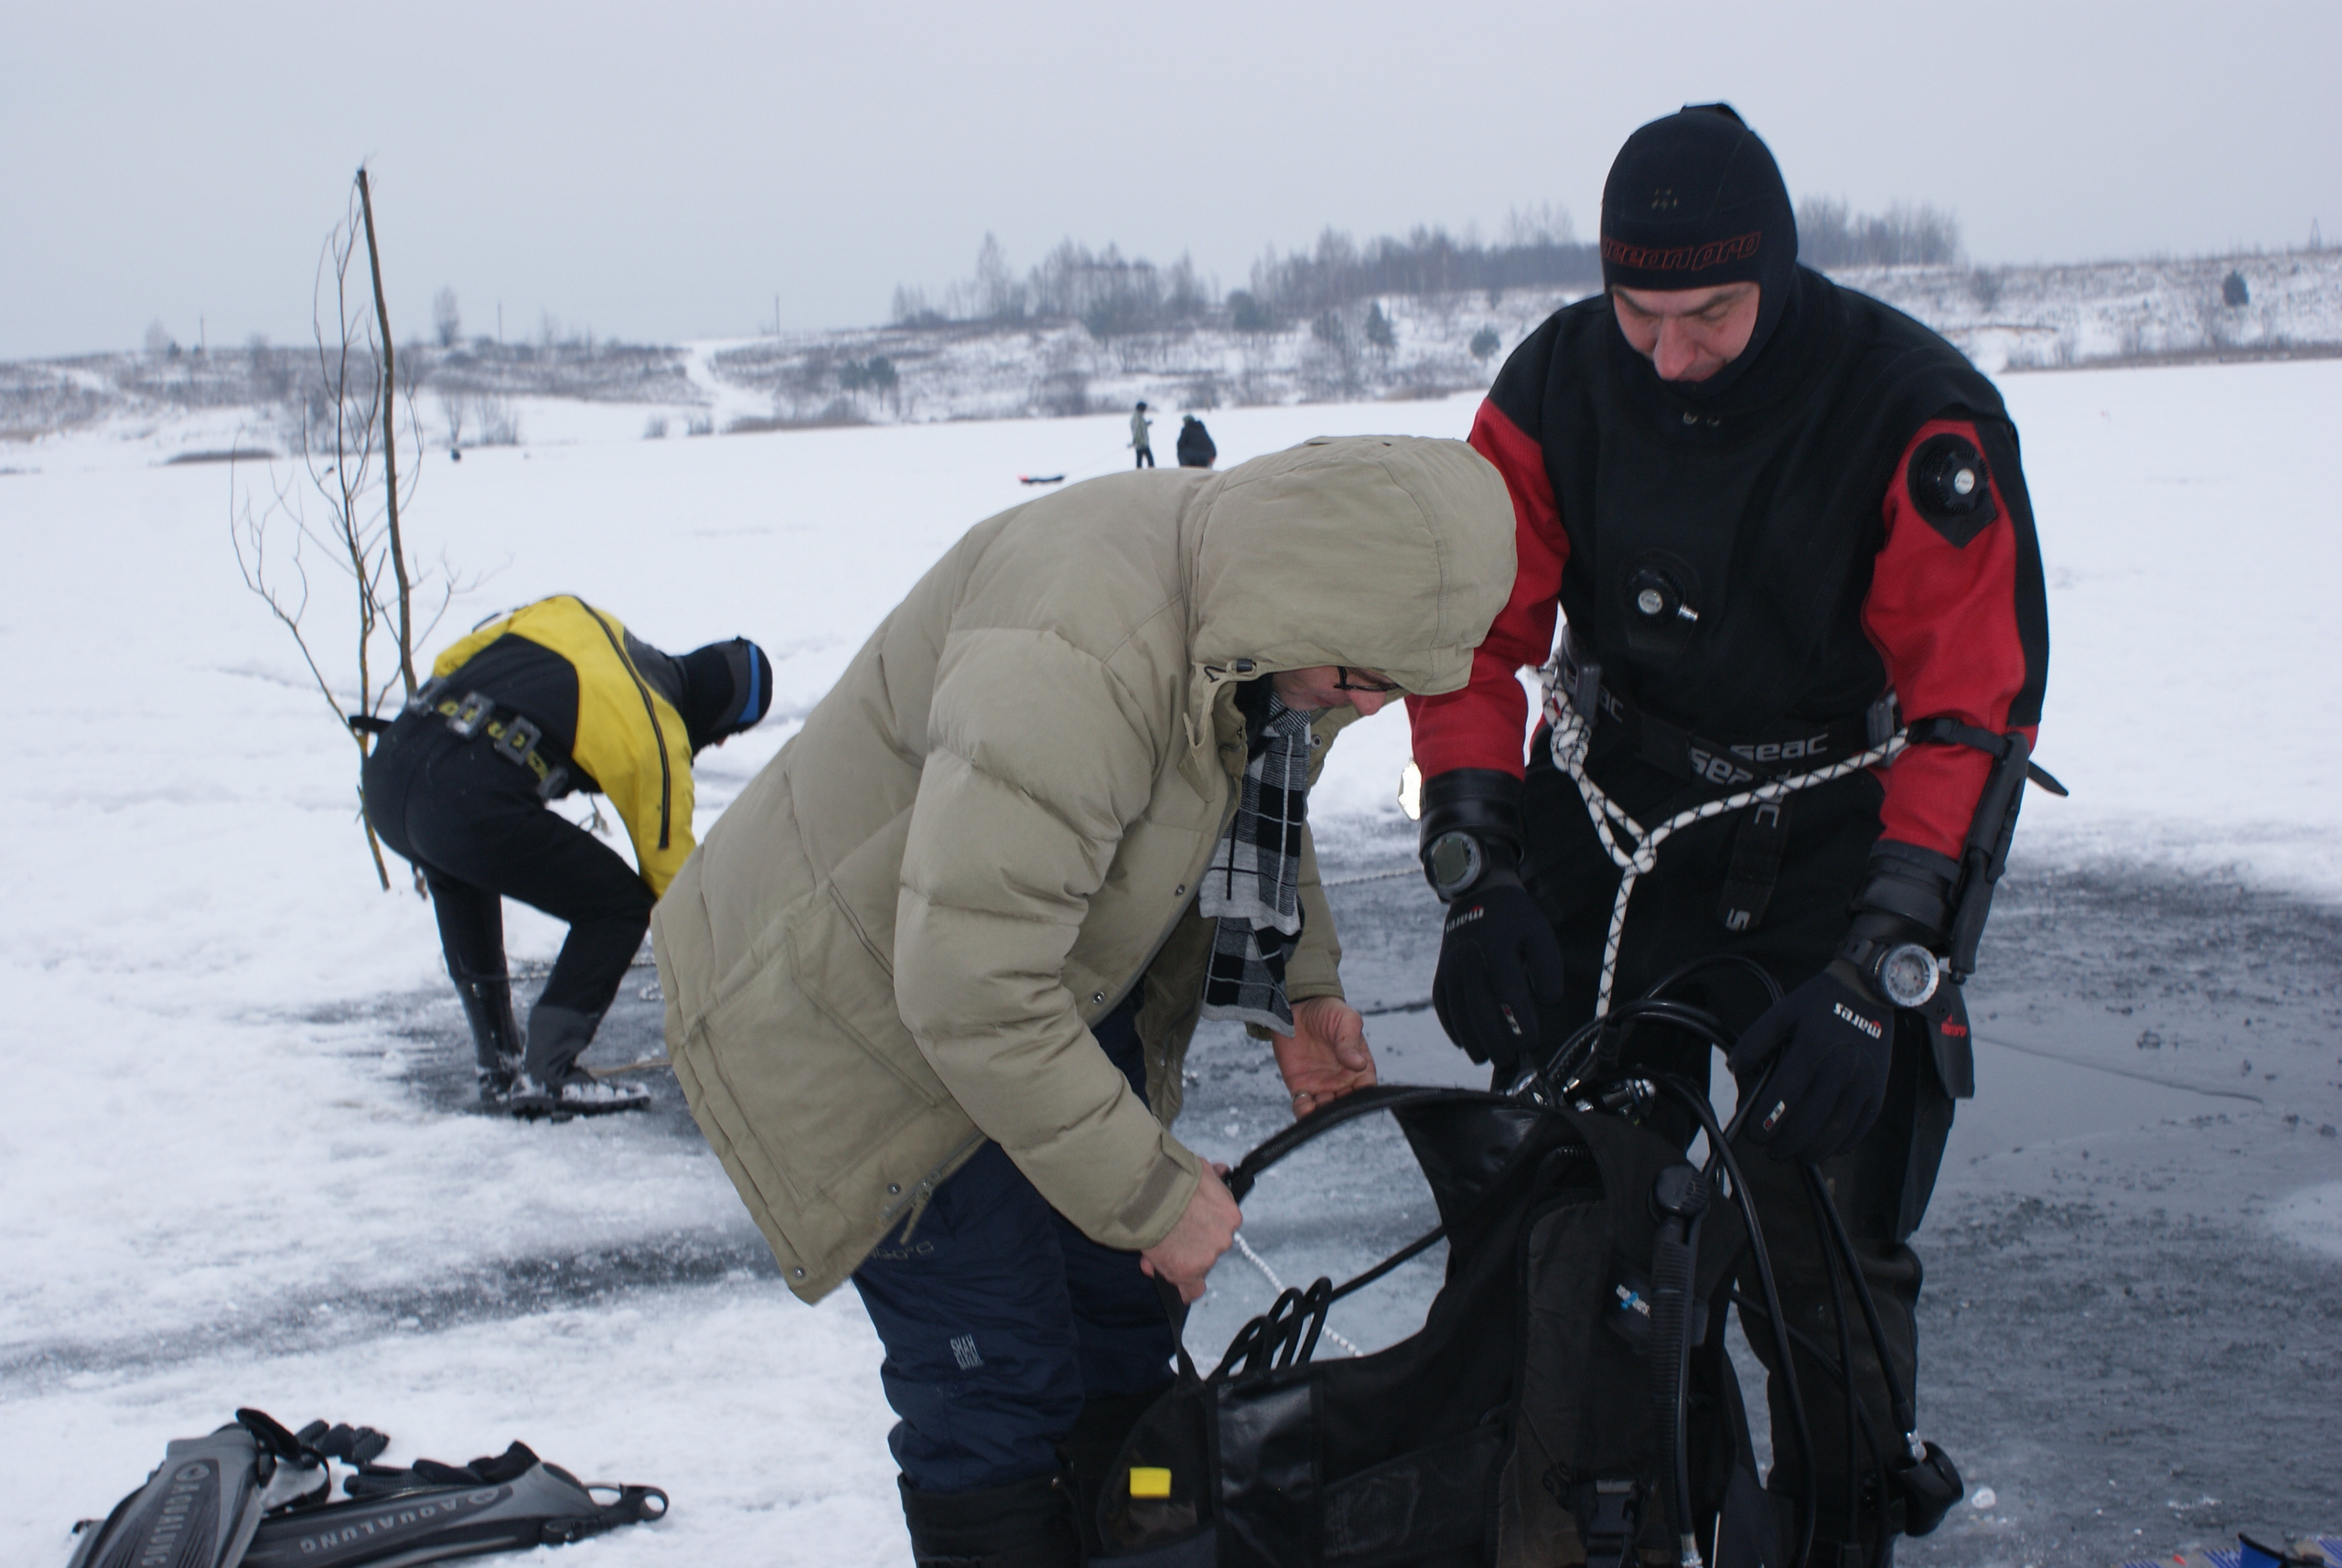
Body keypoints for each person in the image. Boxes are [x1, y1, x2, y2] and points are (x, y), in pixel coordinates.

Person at [652, 436, 1513, 1566]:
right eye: (1364, 681)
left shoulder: (1262, 603)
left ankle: (1130, 1540)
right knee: (999, 1384)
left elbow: (1256, 771)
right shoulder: (1079, 653)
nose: (1370, 704)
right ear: (1306, 602)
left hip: (1021, 959)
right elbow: (966, 987)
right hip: (850, 1013)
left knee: (1118, 1323)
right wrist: (1155, 1197)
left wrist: (1297, 990)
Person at [1407, 105, 2047, 1564]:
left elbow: (1970, 712)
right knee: (1576, 1212)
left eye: (1710, 316)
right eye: (1641, 315)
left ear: (1779, 269)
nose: (1670, 354)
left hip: (1835, 844)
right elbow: (1469, 635)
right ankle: (1592, 1529)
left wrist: (1881, 968)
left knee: (1825, 1248)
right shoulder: (1557, 384)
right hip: (1617, 820)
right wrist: (1477, 862)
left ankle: (1837, 1523)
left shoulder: (1910, 411)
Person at [363, 596, 774, 1118]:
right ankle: (549, 1072)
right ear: (718, 721)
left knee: (459, 861)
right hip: (458, 804)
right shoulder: (657, 730)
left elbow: (451, 661)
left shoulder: (576, 614)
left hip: (390, 768)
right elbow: (673, 882)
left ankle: (499, 1064)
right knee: (620, 906)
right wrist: (748, 980)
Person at [1128, 399, 1155, 467]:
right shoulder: (1137, 418)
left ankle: (1140, 472)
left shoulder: (1138, 416)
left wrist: (1146, 424)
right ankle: (1152, 472)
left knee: (1140, 461)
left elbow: (1141, 427)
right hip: (1142, 443)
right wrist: (1137, 440)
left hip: (1140, 443)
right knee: (1150, 460)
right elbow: (1137, 430)